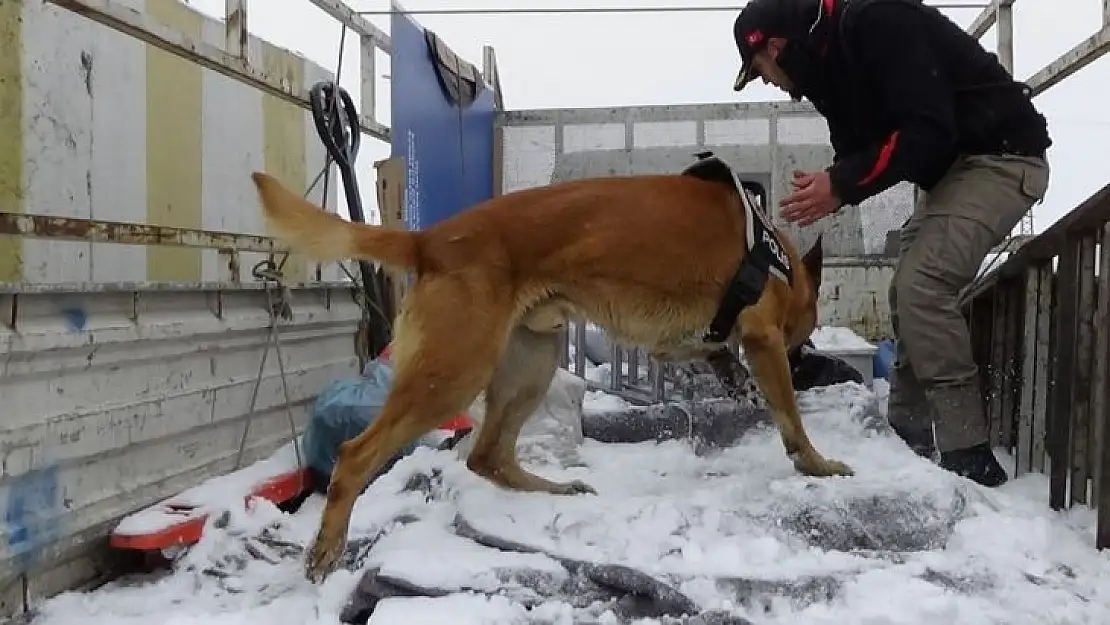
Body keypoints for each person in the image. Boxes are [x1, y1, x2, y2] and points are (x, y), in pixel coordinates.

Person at [730, 0, 1052, 487]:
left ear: (774, 45)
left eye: (760, 71)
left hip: (1001, 159)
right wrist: (834, 188)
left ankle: (969, 454)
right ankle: (907, 435)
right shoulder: (826, 70)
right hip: (950, 175)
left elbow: (929, 125)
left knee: (923, 284)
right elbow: (860, 150)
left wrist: (841, 183)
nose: (769, 82)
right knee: (905, 291)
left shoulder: (876, 21)